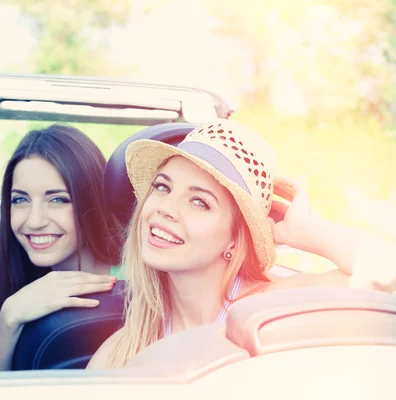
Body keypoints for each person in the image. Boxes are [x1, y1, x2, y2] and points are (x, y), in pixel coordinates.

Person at [87, 118, 396, 369]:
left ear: (235, 238)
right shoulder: (122, 350)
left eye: (199, 202)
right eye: (162, 187)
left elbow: (387, 273)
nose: (165, 208)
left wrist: (307, 232)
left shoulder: (269, 311)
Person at [0, 124, 124, 371]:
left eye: (57, 199)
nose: (34, 221)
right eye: (20, 200)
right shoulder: (26, 295)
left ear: (92, 201)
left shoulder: (137, 285)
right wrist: (8, 317)